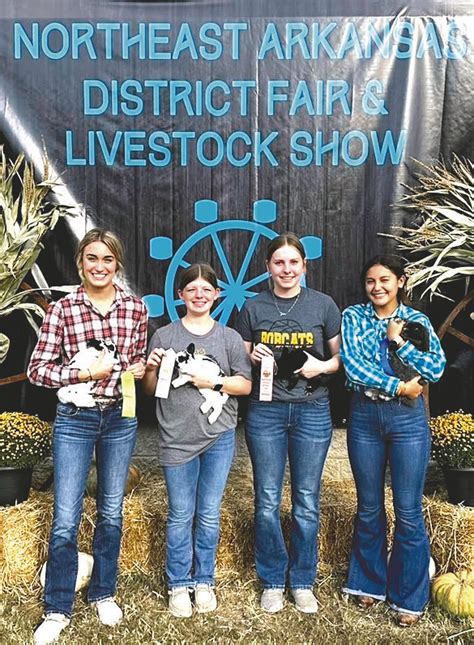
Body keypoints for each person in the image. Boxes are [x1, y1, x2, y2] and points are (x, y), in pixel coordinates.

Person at [27, 229, 148, 645]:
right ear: (81, 263)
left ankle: (103, 592)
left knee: (112, 510)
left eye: (108, 260)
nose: (100, 266)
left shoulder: (135, 309)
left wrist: (139, 370)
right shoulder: (62, 310)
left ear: (118, 265)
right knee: (66, 515)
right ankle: (57, 606)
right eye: (92, 258)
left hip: (119, 418)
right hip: (75, 417)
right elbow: (37, 370)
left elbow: (136, 364)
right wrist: (81, 373)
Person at [236, 233, 341, 614]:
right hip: (265, 412)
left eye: (293, 262)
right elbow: (242, 356)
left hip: (313, 410)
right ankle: (271, 580)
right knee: (266, 500)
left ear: (304, 266)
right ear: (268, 267)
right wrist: (255, 354)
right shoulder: (252, 308)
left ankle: (302, 580)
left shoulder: (323, 305)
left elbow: (338, 359)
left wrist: (321, 366)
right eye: (279, 263)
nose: (286, 269)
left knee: (306, 501)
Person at [340, 255, 446, 627]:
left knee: (408, 510)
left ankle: (409, 596)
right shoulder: (354, 316)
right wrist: (401, 385)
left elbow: (436, 368)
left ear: (401, 281)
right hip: (366, 417)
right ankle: (369, 583)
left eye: (384, 280)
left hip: (408, 422)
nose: (377, 287)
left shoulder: (418, 322)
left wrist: (398, 342)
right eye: (370, 281)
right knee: (369, 506)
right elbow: (354, 367)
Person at [143, 263, 251, 618]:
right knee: (179, 513)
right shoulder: (164, 336)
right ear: (181, 295)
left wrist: (212, 383)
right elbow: (150, 390)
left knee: (207, 513)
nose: (200, 295)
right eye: (192, 289)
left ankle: (203, 580)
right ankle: (178, 583)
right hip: (176, 437)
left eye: (207, 289)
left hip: (218, 436)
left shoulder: (230, 338)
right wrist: (151, 368)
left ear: (217, 294)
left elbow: (245, 385)